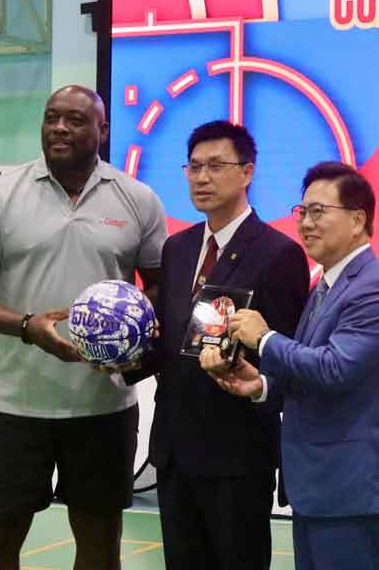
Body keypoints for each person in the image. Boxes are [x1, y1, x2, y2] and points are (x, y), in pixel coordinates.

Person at [0, 84, 166, 570]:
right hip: (16, 405)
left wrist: (129, 330)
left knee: (100, 546)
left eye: (75, 120)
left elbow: (160, 288)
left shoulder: (138, 199)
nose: (59, 128)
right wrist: (26, 326)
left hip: (104, 407)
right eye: (51, 117)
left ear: (103, 130)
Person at [202, 161, 379, 570]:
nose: (306, 223)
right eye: (302, 212)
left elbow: (334, 369)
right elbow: (309, 370)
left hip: (349, 484)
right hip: (317, 485)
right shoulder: (327, 286)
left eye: (319, 212)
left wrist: (264, 339)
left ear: (357, 220)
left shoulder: (377, 288)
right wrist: (261, 385)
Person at [129, 120, 308, 570]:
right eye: (194, 167)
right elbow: (170, 342)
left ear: (247, 172)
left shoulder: (279, 254)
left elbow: (285, 358)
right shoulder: (177, 248)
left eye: (215, 166)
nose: (202, 178)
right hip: (173, 449)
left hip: (236, 456)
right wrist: (120, 359)